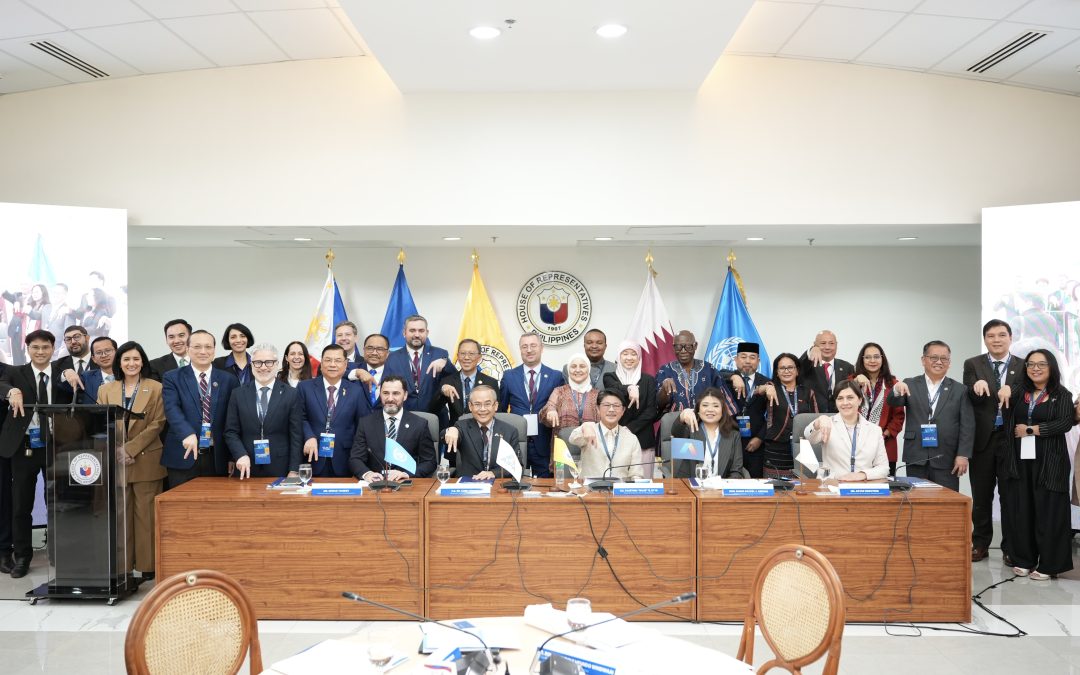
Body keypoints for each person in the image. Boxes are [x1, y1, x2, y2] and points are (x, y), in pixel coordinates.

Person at [0, 330, 73, 578]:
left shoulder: (63, 373)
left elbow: (73, 392)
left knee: (58, 503)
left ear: (53, 349)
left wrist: (68, 375)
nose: (40, 352)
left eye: (45, 347)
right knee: (21, 505)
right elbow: (1, 384)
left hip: (57, 446)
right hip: (24, 448)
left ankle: (59, 554)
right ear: (27, 348)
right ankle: (22, 556)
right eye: (35, 347)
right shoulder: (14, 372)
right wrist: (11, 392)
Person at [1000, 349, 1074, 580]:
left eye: (1041, 364)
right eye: (1031, 364)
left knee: (1048, 511)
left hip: (1050, 461)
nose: (1035, 368)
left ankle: (1049, 564)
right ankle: (1024, 559)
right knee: (1022, 508)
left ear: (1051, 367)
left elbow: (1065, 423)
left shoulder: (1061, 394)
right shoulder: (1020, 392)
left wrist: (1032, 430)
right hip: (1021, 458)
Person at [96, 340, 167, 581]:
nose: (131, 363)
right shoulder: (106, 390)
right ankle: (123, 565)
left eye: (136, 359)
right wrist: (117, 449)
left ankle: (148, 566)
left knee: (146, 516)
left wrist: (130, 449)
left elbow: (158, 423)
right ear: (119, 363)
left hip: (147, 459)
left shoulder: (156, 387)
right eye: (126, 359)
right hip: (117, 460)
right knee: (121, 517)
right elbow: (99, 423)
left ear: (143, 362)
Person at [963, 319, 1023, 564]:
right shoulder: (973, 364)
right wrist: (974, 386)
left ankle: (1010, 547)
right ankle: (980, 543)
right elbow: (968, 396)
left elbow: (1025, 395)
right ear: (985, 339)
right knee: (982, 495)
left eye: (1001, 335)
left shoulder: (1022, 365)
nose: (996, 340)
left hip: (1011, 440)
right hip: (983, 440)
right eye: (990, 336)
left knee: (1010, 496)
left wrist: (1013, 390)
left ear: (1010, 337)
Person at [887, 340, 974, 490]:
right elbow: (893, 401)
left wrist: (963, 455)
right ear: (923, 360)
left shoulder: (960, 390)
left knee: (946, 503)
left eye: (944, 358)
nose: (939, 362)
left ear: (949, 362)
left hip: (946, 457)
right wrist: (895, 389)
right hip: (916, 455)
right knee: (916, 502)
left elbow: (968, 425)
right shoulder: (910, 384)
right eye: (934, 357)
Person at [161, 330, 241, 488]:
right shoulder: (172, 377)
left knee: (214, 508)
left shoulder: (229, 380)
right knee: (181, 507)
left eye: (208, 347)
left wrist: (233, 456)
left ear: (214, 350)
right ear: (188, 349)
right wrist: (187, 433)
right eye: (197, 347)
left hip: (218, 457)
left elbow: (233, 420)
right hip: (183, 453)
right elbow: (171, 408)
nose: (203, 351)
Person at [225, 343, 303, 479]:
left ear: (277, 364)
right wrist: (240, 455)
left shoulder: (291, 394)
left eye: (269, 362)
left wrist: (294, 470)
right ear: (251, 364)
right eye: (258, 363)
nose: (263, 367)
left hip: (281, 467)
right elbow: (230, 431)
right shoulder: (238, 394)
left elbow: (296, 435)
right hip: (245, 466)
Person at [297, 344, 370, 477]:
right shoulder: (304, 387)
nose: (332, 364)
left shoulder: (356, 391)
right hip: (312, 456)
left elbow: (363, 426)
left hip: (345, 459)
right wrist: (309, 436)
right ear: (321, 362)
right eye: (328, 360)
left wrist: (360, 460)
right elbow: (299, 417)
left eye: (337, 360)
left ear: (346, 363)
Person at [499, 332, 564, 478]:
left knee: (544, 487)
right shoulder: (509, 376)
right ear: (520, 350)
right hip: (516, 440)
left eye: (533, 345)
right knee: (514, 484)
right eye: (524, 346)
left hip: (544, 441)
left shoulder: (556, 376)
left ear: (542, 348)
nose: (529, 350)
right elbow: (501, 411)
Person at [351, 375, 436, 481]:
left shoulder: (419, 424)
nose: (390, 399)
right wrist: (367, 474)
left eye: (396, 393)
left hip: (406, 485)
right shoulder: (366, 423)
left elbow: (429, 462)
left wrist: (406, 474)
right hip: (375, 484)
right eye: (385, 393)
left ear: (405, 395)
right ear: (380, 394)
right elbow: (356, 458)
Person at [804, 381, 889, 480]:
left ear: (860, 400)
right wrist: (819, 421)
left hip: (863, 487)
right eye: (840, 398)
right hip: (833, 486)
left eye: (850, 398)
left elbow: (883, 468)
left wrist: (862, 475)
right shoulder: (827, 424)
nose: (845, 403)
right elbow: (808, 436)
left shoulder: (874, 430)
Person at [602, 341, 658, 477]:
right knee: (617, 484)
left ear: (639, 358)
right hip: (616, 440)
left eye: (634, 354)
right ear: (619, 357)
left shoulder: (649, 380)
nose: (629, 357)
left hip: (643, 439)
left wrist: (629, 429)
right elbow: (614, 388)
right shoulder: (609, 377)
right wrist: (629, 388)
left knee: (642, 487)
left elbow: (651, 411)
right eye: (625, 353)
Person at [384, 315, 455, 420]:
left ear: (427, 333)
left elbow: (455, 379)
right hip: (404, 418)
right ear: (404, 333)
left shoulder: (440, 354)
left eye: (421, 331)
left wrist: (446, 364)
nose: (417, 335)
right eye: (412, 330)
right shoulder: (392, 357)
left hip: (435, 417)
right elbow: (385, 387)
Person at [716, 342, 771, 478]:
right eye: (743, 357)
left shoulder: (767, 383)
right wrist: (733, 376)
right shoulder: (726, 379)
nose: (747, 361)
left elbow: (772, 415)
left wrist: (760, 437)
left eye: (752, 357)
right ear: (735, 360)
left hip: (755, 443)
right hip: (728, 439)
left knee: (754, 484)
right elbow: (714, 373)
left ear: (758, 361)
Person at [443, 384, 521, 479]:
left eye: (487, 404)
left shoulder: (510, 431)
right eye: (477, 404)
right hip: (468, 485)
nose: (482, 409)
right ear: (470, 406)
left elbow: (517, 465)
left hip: (497, 487)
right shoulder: (461, 426)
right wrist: (451, 429)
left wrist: (493, 473)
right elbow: (443, 437)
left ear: (495, 406)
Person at [760, 353, 818, 479]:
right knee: (775, 492)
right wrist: (765, 388)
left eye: (790, 367)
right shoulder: (771, 389)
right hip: (775, 451)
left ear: (797, 371)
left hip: (803, 449)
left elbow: (815, 420)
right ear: (776, 372)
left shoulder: (808, 393)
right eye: (782, 368)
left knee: (803, 489)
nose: (786, 371)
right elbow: (756, 390)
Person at [851, 342, 905, 477]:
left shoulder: (893, 384)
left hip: (884, 444)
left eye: (876, 357)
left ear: (883, 359)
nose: (872, 361)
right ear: (862, 360)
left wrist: (883, 435)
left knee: (884, 489)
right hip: (855, 444)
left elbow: (898, 417)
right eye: (868, 357)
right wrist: (856, 382)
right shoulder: (852, 381)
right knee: (855, 487)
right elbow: (844, 406)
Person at [670, 387, 747, 479]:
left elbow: (736, 471)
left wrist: (721, 487)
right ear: (698, 409)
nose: (710, 410)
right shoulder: (690, 429)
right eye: (705, 405)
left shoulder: (734, 435)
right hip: (690, 486)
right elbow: (675, 431)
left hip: (720, 489)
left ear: (722, 410)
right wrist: (682, 416)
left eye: (716, 406)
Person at [569, 389, 643, 480]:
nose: (611, 409)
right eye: (606, 405)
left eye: (616, 405)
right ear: (598, 409)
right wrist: (585, 427)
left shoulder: (631, 439)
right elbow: (573, 438)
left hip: (619, 491)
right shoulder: (589, 430)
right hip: (590, 491)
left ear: (623, 410)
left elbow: (636, 474)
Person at [656, 330, 729, 415]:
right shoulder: (665, 371)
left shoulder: (709, 369)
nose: (683, 351)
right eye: (678, 347)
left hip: (705, 423)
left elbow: (724, 401)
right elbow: (657, 405)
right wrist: (664, 391)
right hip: (675, 424)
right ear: (673, 347)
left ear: (695, 346)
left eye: (688, 346)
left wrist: (734, 376)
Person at [433, 338, 498, 428]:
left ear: (479, 358)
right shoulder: (448, 381)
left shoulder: (491, 383)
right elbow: (434, 410)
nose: (466, 357)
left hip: (482, 433)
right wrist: (442, 392)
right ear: (458, 356)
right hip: (455, 434)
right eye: (463, 353)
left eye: (471, 354)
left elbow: (497, 413)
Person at [799, 330, 855, 413]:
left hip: (840, 417)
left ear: (836, 345)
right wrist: (811, 350)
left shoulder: (847, 367)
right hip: (813, 417)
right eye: (823, 343)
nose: (827, 347)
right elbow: (800, 364)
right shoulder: (808, 365)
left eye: (831, 343)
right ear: (815, 345)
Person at [542, 354, 601, 431]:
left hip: (590, 441)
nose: (577, 370)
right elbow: (549, 406)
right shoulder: (559, 391)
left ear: (588, 369)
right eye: (573, 366)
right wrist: (550, 411)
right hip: (563, 441)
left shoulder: (597, 394)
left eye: (582, 366)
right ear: (568, 370)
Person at [58, 336, 117, 404]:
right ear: (94, 358)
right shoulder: (87, 377)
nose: (104, 355)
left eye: (108, 351)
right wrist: (66, 373)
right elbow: (66, 388)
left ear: (117, 353)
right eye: (98, 352)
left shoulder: (127, 376)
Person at [346, 333, 391, 411]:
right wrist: (357, 373)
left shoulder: (396, 375)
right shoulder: (350, 368)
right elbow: (328, 374)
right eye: (370, 348)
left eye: (380, 349)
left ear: (387, 353)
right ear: (364, 350)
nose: (374, 353)